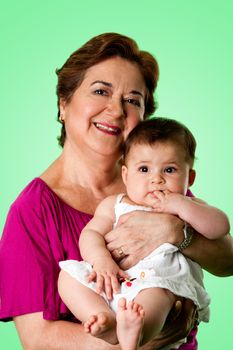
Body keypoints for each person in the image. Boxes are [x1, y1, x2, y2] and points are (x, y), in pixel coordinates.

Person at [0, 33, 232, 350]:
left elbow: (227, 260)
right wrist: (135, 343)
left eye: (132, 100)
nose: (116, 110)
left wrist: (176, 232)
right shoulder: (32, 211)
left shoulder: (153, 181)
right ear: (63, 103)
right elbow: (37, 339)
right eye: (100, 91)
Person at [58, 117, 230, 350]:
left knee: (157, 297)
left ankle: (136, 337)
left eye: (169, 170)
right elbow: (91, 235)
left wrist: (182, 206)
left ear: (189, 178)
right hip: (115, 281)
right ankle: (103, 319)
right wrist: (101, 260)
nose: (156, 179)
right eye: (144, 169)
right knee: (68, 276)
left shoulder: (189, 206)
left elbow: (220, 227)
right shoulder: (114, 205)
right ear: (126, 175)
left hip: (161, 284)